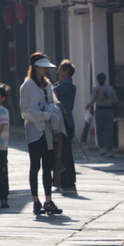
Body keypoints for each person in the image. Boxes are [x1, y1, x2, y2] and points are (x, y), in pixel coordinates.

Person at [20, 52, 62, 217]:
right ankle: (36, 200)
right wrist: (44, 115)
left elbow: (53, 103)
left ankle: (48, 200)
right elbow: (24, 111)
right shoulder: (27, 85)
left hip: (48, 130)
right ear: (35, 67)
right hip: (34, 131)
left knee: (48, 166)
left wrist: (55, 119)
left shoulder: (48, 84)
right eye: (43, 67)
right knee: (35, 165)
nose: (46, 70)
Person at [54, 59, 77, 195]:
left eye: (60, 69)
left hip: (65, 123)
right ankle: (64, 182)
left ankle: (68, 183)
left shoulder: (67, 85)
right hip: (62, 122)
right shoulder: (63, 84)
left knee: (65, 153)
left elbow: (50, 93)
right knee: (62, 153)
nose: (57, 71)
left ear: (66, 71)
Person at [88, 73, 119, 156]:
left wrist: (89, 106)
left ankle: (101, 148)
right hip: (109, 109)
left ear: (97, 80)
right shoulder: (110, 88)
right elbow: (115, 100)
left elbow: (93, 99)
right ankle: (109, 150)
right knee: (109, 130)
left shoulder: (95, 88)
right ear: (105, 79)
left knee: (99, 130)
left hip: (99, 110)